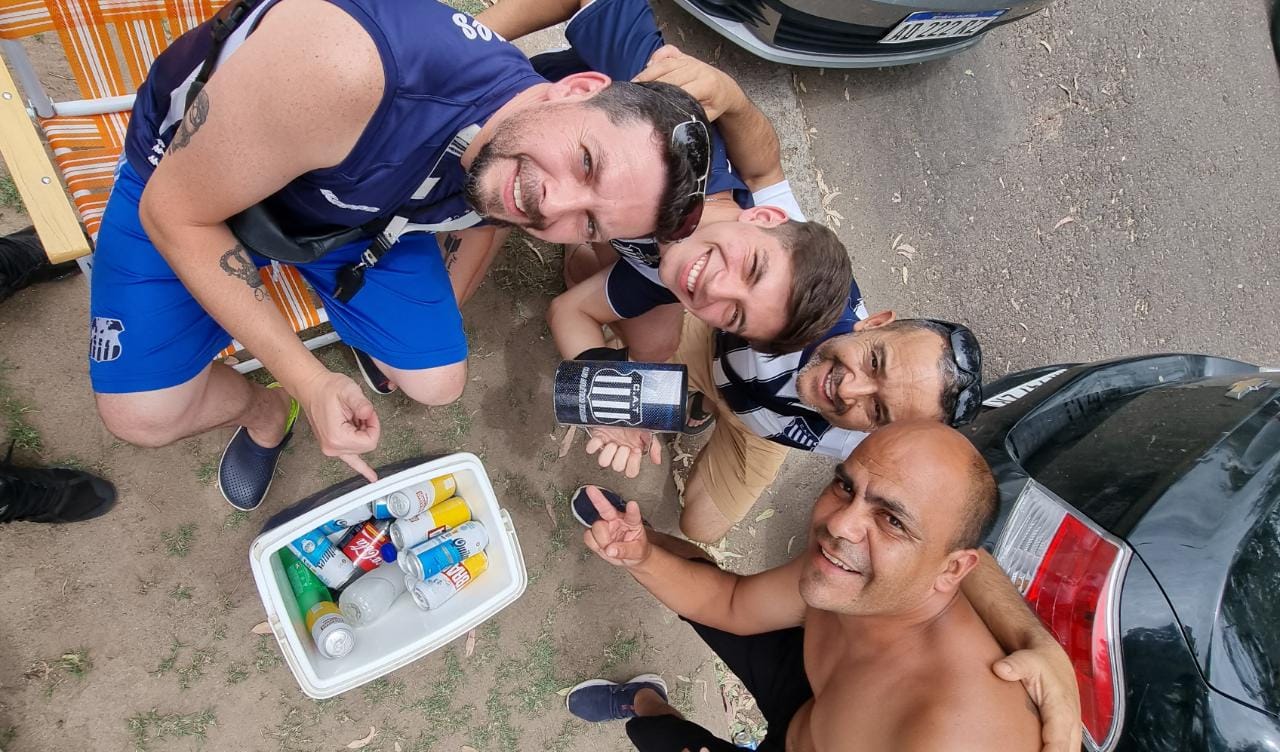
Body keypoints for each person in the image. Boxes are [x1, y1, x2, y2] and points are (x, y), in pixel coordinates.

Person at [88, 0, 711, 512]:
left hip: (354, 217)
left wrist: (452, 304)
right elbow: (176, 214)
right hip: (194, 187)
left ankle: (349, 335)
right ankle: (266, 408)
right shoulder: (342, 68)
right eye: (586, 162)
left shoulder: (523, 153)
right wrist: (308, 377)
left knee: (437, 381)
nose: (551, 204)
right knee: (141, 416)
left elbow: (489, 214)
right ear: (573, 88)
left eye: (590, 220)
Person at [568, 422, 1082, 752]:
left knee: (663, 741)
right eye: (846, 486)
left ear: (953, 570)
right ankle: (642, 554)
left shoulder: (951, 729)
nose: (840, 525)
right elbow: (727, 602)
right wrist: (638, 556)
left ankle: (644, 705)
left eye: (893, 521)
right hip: (809, 691)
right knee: (699, 583)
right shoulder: (847, 577)